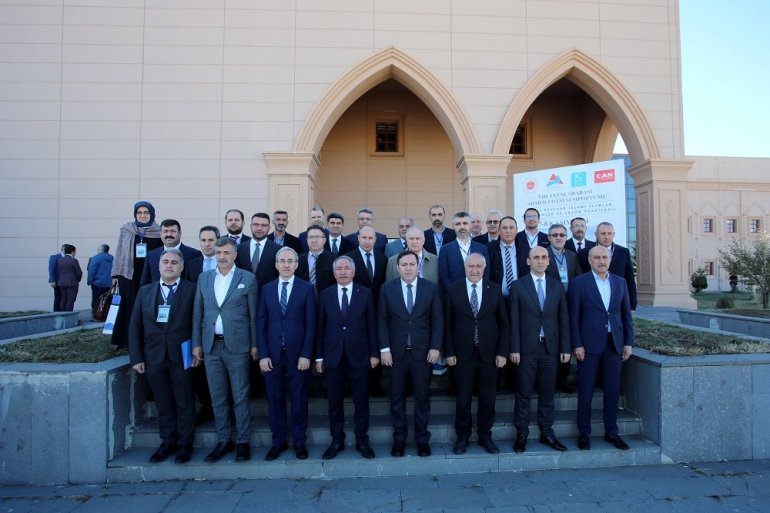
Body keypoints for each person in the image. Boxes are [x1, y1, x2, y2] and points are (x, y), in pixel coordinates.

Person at [192, 237, 258, 463]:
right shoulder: (204, 278)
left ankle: (243, 441)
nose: (222, 256)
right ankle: (223, 440)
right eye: (218, 252)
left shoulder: (247, 278)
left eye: (226, 252)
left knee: (240, 395)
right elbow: (198, 313)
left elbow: (253, 315)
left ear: (235, 254)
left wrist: (255, 344)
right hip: (211, 346)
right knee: (217, 396)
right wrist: (196, 344)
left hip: (238, 346)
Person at [128, 249, 197, 464]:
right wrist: (136, 357)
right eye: (165, 262)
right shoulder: (145, 291)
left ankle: (185, 443)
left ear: (181, 267)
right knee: (163, 402)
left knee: (184, 401)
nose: (169, 265)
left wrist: (197, 349)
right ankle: (168, 441)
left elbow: (198, 322)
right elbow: (135, 326)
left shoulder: (192, 290)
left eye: (174, 262)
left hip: (182, 355)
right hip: (153, 356)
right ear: (158, 266)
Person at [568, 245, 634, 451]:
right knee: (586, 391)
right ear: (589, 261)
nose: (601, 261)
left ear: (610, 259)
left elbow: (626, 316)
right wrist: (577, 344)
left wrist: (628, 342)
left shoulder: (620, 282)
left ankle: (612, 432)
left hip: (614, 344)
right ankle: (584, 433)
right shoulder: (579, 283)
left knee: (612, 392)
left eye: (605, 257)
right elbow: (573, 318)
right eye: (596, 257)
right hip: (588, 346)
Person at [378, 250, 443, 457]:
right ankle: (399, 440)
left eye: (411, 264)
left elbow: (437, 320)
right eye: (404, 265)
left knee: (422, 398)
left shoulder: (430, 288)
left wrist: (435, 347)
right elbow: (382, 321)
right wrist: (384, 349)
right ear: (397, 268)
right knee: (397, 398)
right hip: (395, 355)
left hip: (423, 354)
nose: (408, 268)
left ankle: (422, 440)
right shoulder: (387, 289)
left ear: (418, 266)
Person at [443, 253, 509, 455]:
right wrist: (449, 351)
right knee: (463, 398)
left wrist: (502, 352)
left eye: (478, 266)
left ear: (484, 268)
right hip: (462, 355)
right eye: (470, 266)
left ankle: (485, 436)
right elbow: (446, 323)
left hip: (489, 354)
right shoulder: (453, 289)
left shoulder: (494, 289)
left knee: (488, 398)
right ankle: (462, 437)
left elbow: (504, 324)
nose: (474, 270)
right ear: (464, 268)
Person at [315, 255, 379, 460]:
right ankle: (337, 440)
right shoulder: (325, 294)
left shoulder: (366, 293)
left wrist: (374, 353)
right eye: (339, 269)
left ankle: (362, 440)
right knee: (334, 402)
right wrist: (318, 357)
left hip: (359, 356)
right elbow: (320, 327)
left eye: (346, 268)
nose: (343, 272)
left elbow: (372, 325)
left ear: (353, 271)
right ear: (334, 273)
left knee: (361, 401)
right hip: (333, 357)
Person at [257, 247, 317, 461]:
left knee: (299, 399)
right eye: (282, 261)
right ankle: (279, 441)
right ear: (276, 265)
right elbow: (261, 322)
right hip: (272, 356)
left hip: (298, 355)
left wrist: (306, 354)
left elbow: (311, 324)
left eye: (290, 261)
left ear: (296, 264)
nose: (286, 265)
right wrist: (263, 354)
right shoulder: (267, 289)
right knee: (274, 399)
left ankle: (299, 441)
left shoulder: (307, 289)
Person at [509, 246, 571, 453]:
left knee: (547, 392)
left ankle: (547, 432)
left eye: (544, 257)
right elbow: (514, 320)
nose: (540, 260)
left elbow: (563, 319)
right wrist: (514, 348)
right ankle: (522, 433)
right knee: (523, 392)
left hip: (550, 348)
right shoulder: (518, 286)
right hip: (526, 349)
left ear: (549, 261)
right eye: (536, 257)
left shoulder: (556, 286)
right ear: (528, 261)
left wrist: (565, 347)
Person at [110, 201, 162, 349]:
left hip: (149, 275)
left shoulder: (159, 232)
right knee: (127, 306)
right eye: (139, 213)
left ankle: (145, 340)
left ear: (152, 214)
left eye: (146, 212)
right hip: (128, 275)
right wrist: (115, 275)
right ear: (135, 214)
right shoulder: (127, 229)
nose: (142, 215)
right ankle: (123, 340)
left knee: (146, 307)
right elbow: (119, 251)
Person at [183, 226, 219, 425]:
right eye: (203, 240)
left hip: (221, 326)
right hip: (198, 323)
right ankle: (206, 406)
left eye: (211, 240)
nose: (207, 244)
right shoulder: (191, 264)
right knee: (198, 370)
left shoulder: (227, 262)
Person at [345, 226, 387, 396]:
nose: (367, 241)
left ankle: (375, 385)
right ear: (358, 238)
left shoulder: (382, 258)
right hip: (356, 310)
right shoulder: (349, 258)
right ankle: (352, 385)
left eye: (370, 238)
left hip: (378, 308)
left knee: (376, 343)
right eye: (364, 237)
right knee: (356, 345)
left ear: (375, 240)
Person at [545, 223, 582, 393]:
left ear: (566, 237)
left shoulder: (573, 256)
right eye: (555, 235)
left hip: (569, 304)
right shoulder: (542, 255)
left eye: (561, 235)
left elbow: (578, 279)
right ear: (549, 238)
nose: (558, 238)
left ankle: (563, 379)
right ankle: (549, 379)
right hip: (549, 305)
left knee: (566, 341)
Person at [588, 222, 637, 311]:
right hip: (593, 300)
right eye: (603, 233)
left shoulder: (624, 252)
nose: (606, 237)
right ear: (596, 234)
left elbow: (630, 279)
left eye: (609, 233)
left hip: (619, 300)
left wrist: (632, 305)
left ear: (614, 234)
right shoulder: (586, 252)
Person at [438, 211, 489, 292]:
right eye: (458, 224)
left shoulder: (482, 248)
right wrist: (453, 293)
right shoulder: (445, 249)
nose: (462, 227)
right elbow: (444, 276)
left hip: (478, 293)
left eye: (465, 223)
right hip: (454, 294)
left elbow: (486, 274)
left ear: (470, 225)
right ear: (453, 226)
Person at [140, 219, 202, 286]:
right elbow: (144, 283)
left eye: (173, 231)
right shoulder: (151, 256)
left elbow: (197, 283)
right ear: (160, 234)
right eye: (165, 231)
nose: (169, 234)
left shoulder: (194, 255)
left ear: (180, 233)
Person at [236, 212, 280, 288]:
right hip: (243, 292)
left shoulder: (278, 249)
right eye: (256, 224)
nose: (259, 228)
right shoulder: (239, 248)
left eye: (264, 225)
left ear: (269, 228)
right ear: (251, 226)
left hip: (267, 292)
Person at [296, 225, 336, 295]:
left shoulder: (334, 260)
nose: (314, 240)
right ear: (307, 240)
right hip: (304, 298)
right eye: (311, 237)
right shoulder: (298, 260)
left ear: (324, 240)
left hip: (326, 298)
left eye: (317, 237)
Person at [87, 244, 113, 319]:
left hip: (97, 283)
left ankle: (97, 316)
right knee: (107, 300)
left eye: (98, 249)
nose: (97, 250)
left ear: (101, 250)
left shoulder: (96, 258)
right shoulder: (112, 258)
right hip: (109, 283)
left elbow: (91, 271)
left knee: (96, 301)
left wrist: (90, 281)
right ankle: (105, 316)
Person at [56, 244, 82, 312]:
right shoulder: (73, 260)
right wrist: (78, 280)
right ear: (72, 251)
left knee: (63, 299)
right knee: (71, 299)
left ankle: (62, 314)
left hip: (62, 282)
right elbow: (79, 272)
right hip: (72, 282)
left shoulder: (60, 260)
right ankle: (68, 314)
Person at [48, 245, 65, 312]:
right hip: (57, 282)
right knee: (58, 298)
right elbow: (51, 269)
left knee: (64, 298)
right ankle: (56, 313)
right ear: (62, 249)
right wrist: (52, 280)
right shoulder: (55, 257)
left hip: (65, 282)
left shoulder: (69, 258)